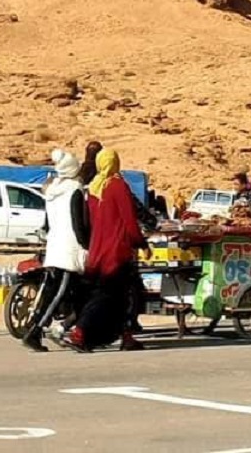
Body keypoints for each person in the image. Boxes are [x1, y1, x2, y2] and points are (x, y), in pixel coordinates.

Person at [61, 148, 149, 352]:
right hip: (116, 252)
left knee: (119, 297)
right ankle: (80, 332)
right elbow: (129, 219)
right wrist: (141, 243)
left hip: (97, 249)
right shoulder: (117, 185)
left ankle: (125, 336)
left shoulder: (93, 188)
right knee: (107, 296)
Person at [22, 149, 90, 353]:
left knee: (62, 293)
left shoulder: (53, 189)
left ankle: (65, 329)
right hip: (69, 248)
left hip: (55, 245)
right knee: (57, 294)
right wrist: (85, 245)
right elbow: (78, 222)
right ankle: (35, 330)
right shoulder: (74, 189)